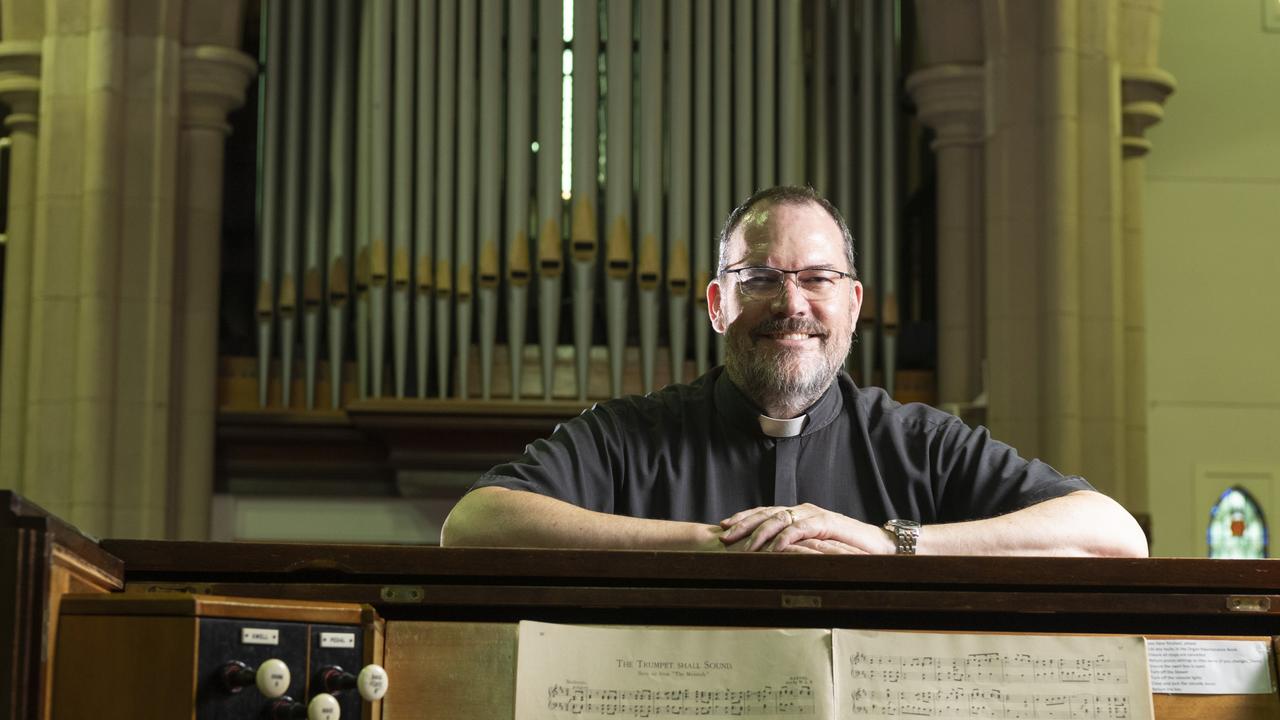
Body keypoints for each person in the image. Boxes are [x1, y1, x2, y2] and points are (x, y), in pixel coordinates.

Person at [441, 186, 1148, 557]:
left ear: (853, 303)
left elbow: (1113, 535)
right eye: (759, 279)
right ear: (718, 304)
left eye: (817, 279)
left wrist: (890, 541)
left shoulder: (921, 443)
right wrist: (707, 544)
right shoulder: (630, 435)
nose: (792, 305)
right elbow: (474, 525)